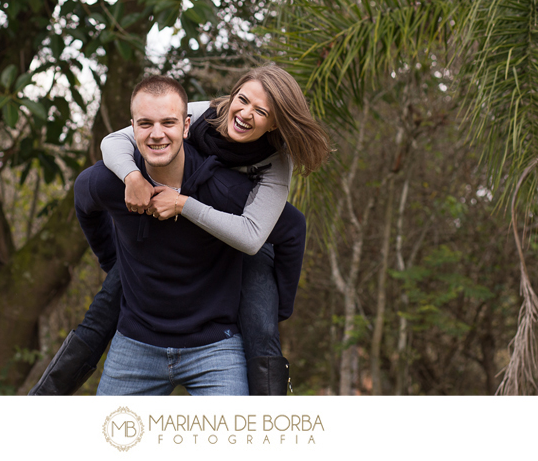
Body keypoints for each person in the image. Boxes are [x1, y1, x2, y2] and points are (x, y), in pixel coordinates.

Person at [28, 64, 330, 395]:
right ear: (232, 95)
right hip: (168, 224)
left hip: (243, 230)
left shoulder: (276, 161)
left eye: (262, 111)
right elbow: (114, 141)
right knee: (105, 307)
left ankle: (264, 427)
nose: (245, 113)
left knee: (261, 326)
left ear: (274, 122)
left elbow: (256, 234)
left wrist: (183, 203)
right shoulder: (199, 115)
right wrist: (132, 177)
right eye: (242, 100)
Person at [73, 75, 261, 395]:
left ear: (186, 127)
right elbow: (83, 201)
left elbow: (290, 229)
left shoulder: (226, 189)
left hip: (216, 347)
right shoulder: (109, 181)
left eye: (168, 123)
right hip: (135, 345)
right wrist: (112, 260)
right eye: (145, 124)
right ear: (132, 128)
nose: (157, 134)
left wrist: (276, 309)